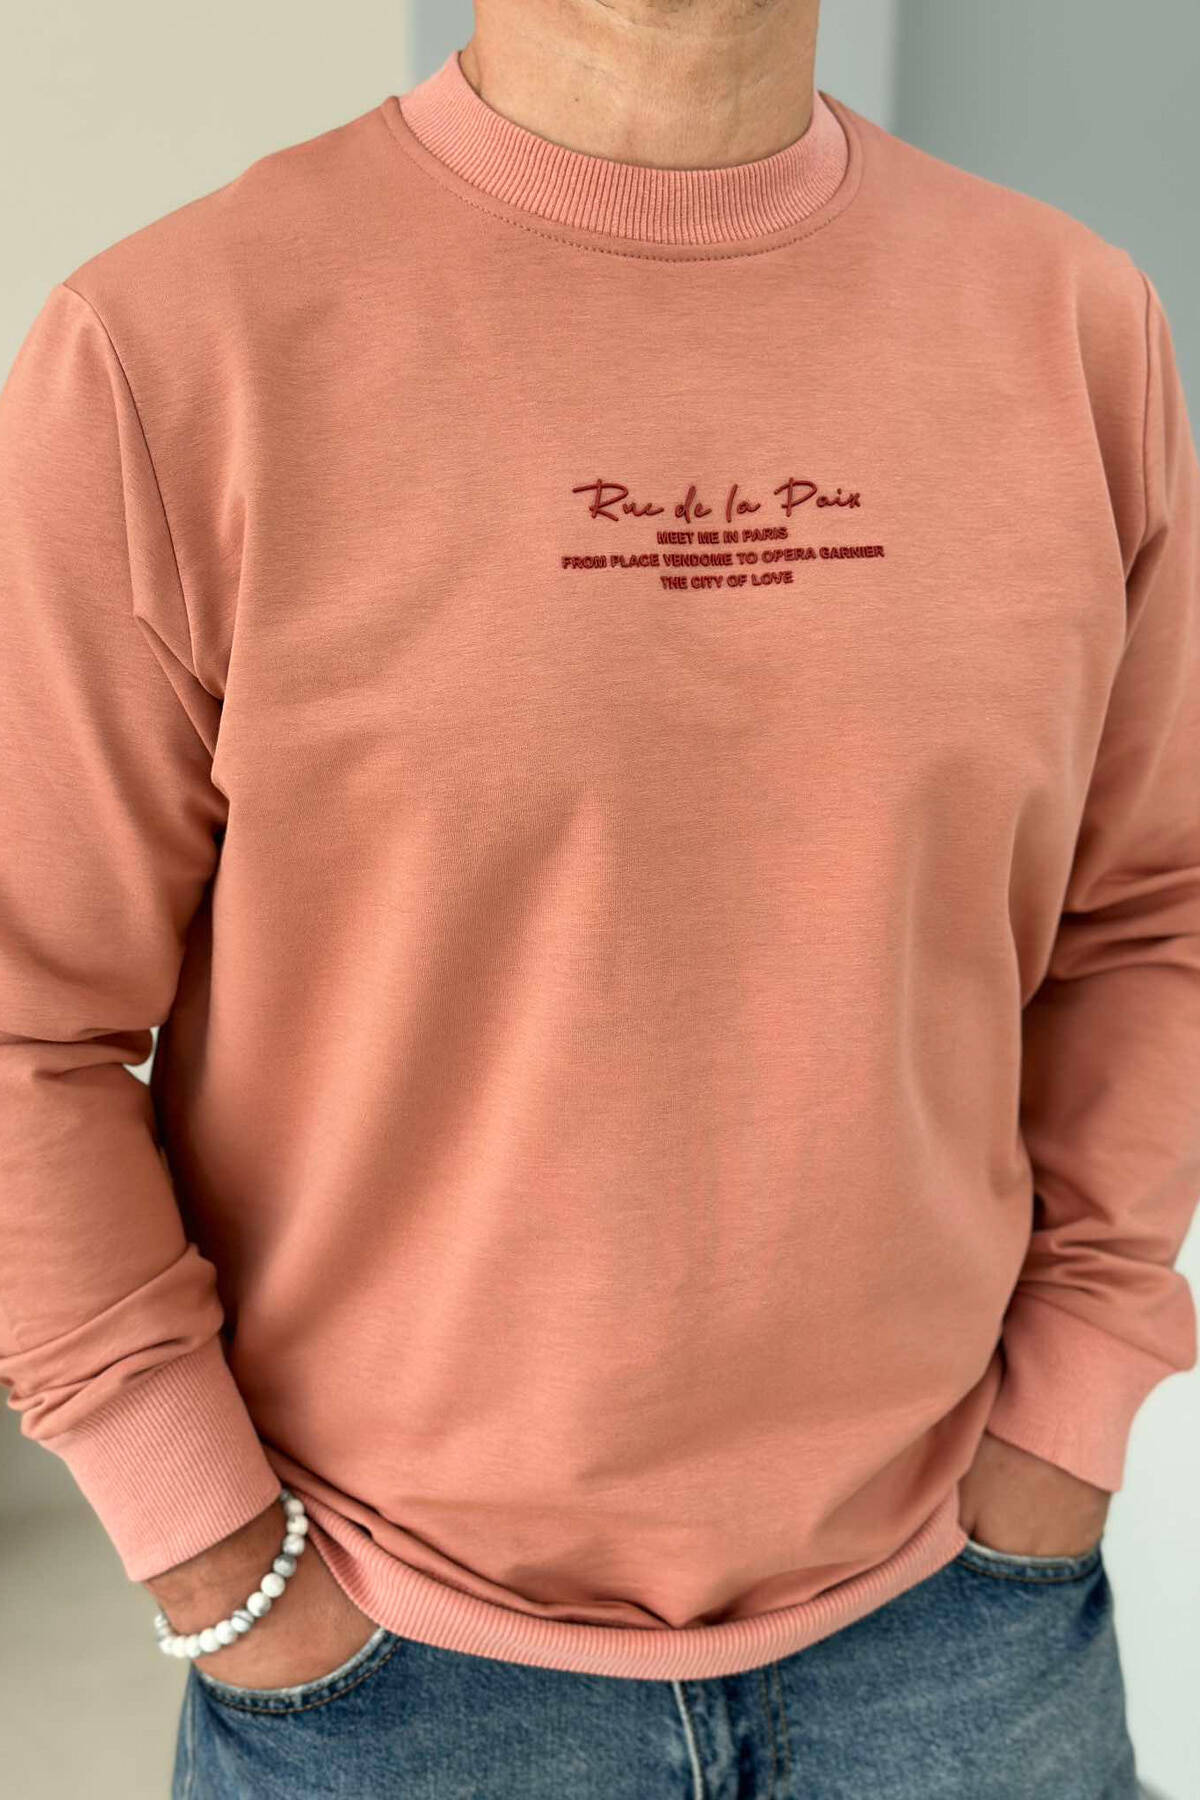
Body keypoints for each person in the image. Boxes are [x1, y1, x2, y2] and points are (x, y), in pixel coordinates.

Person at [0, 0, 1196, 1794]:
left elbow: (1153, 914)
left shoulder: (1071, 321)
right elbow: (27, 1024)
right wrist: (219, 1563)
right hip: (391, 1669)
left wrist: (1072, 1415)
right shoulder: (171, 347)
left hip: (967, 1634)